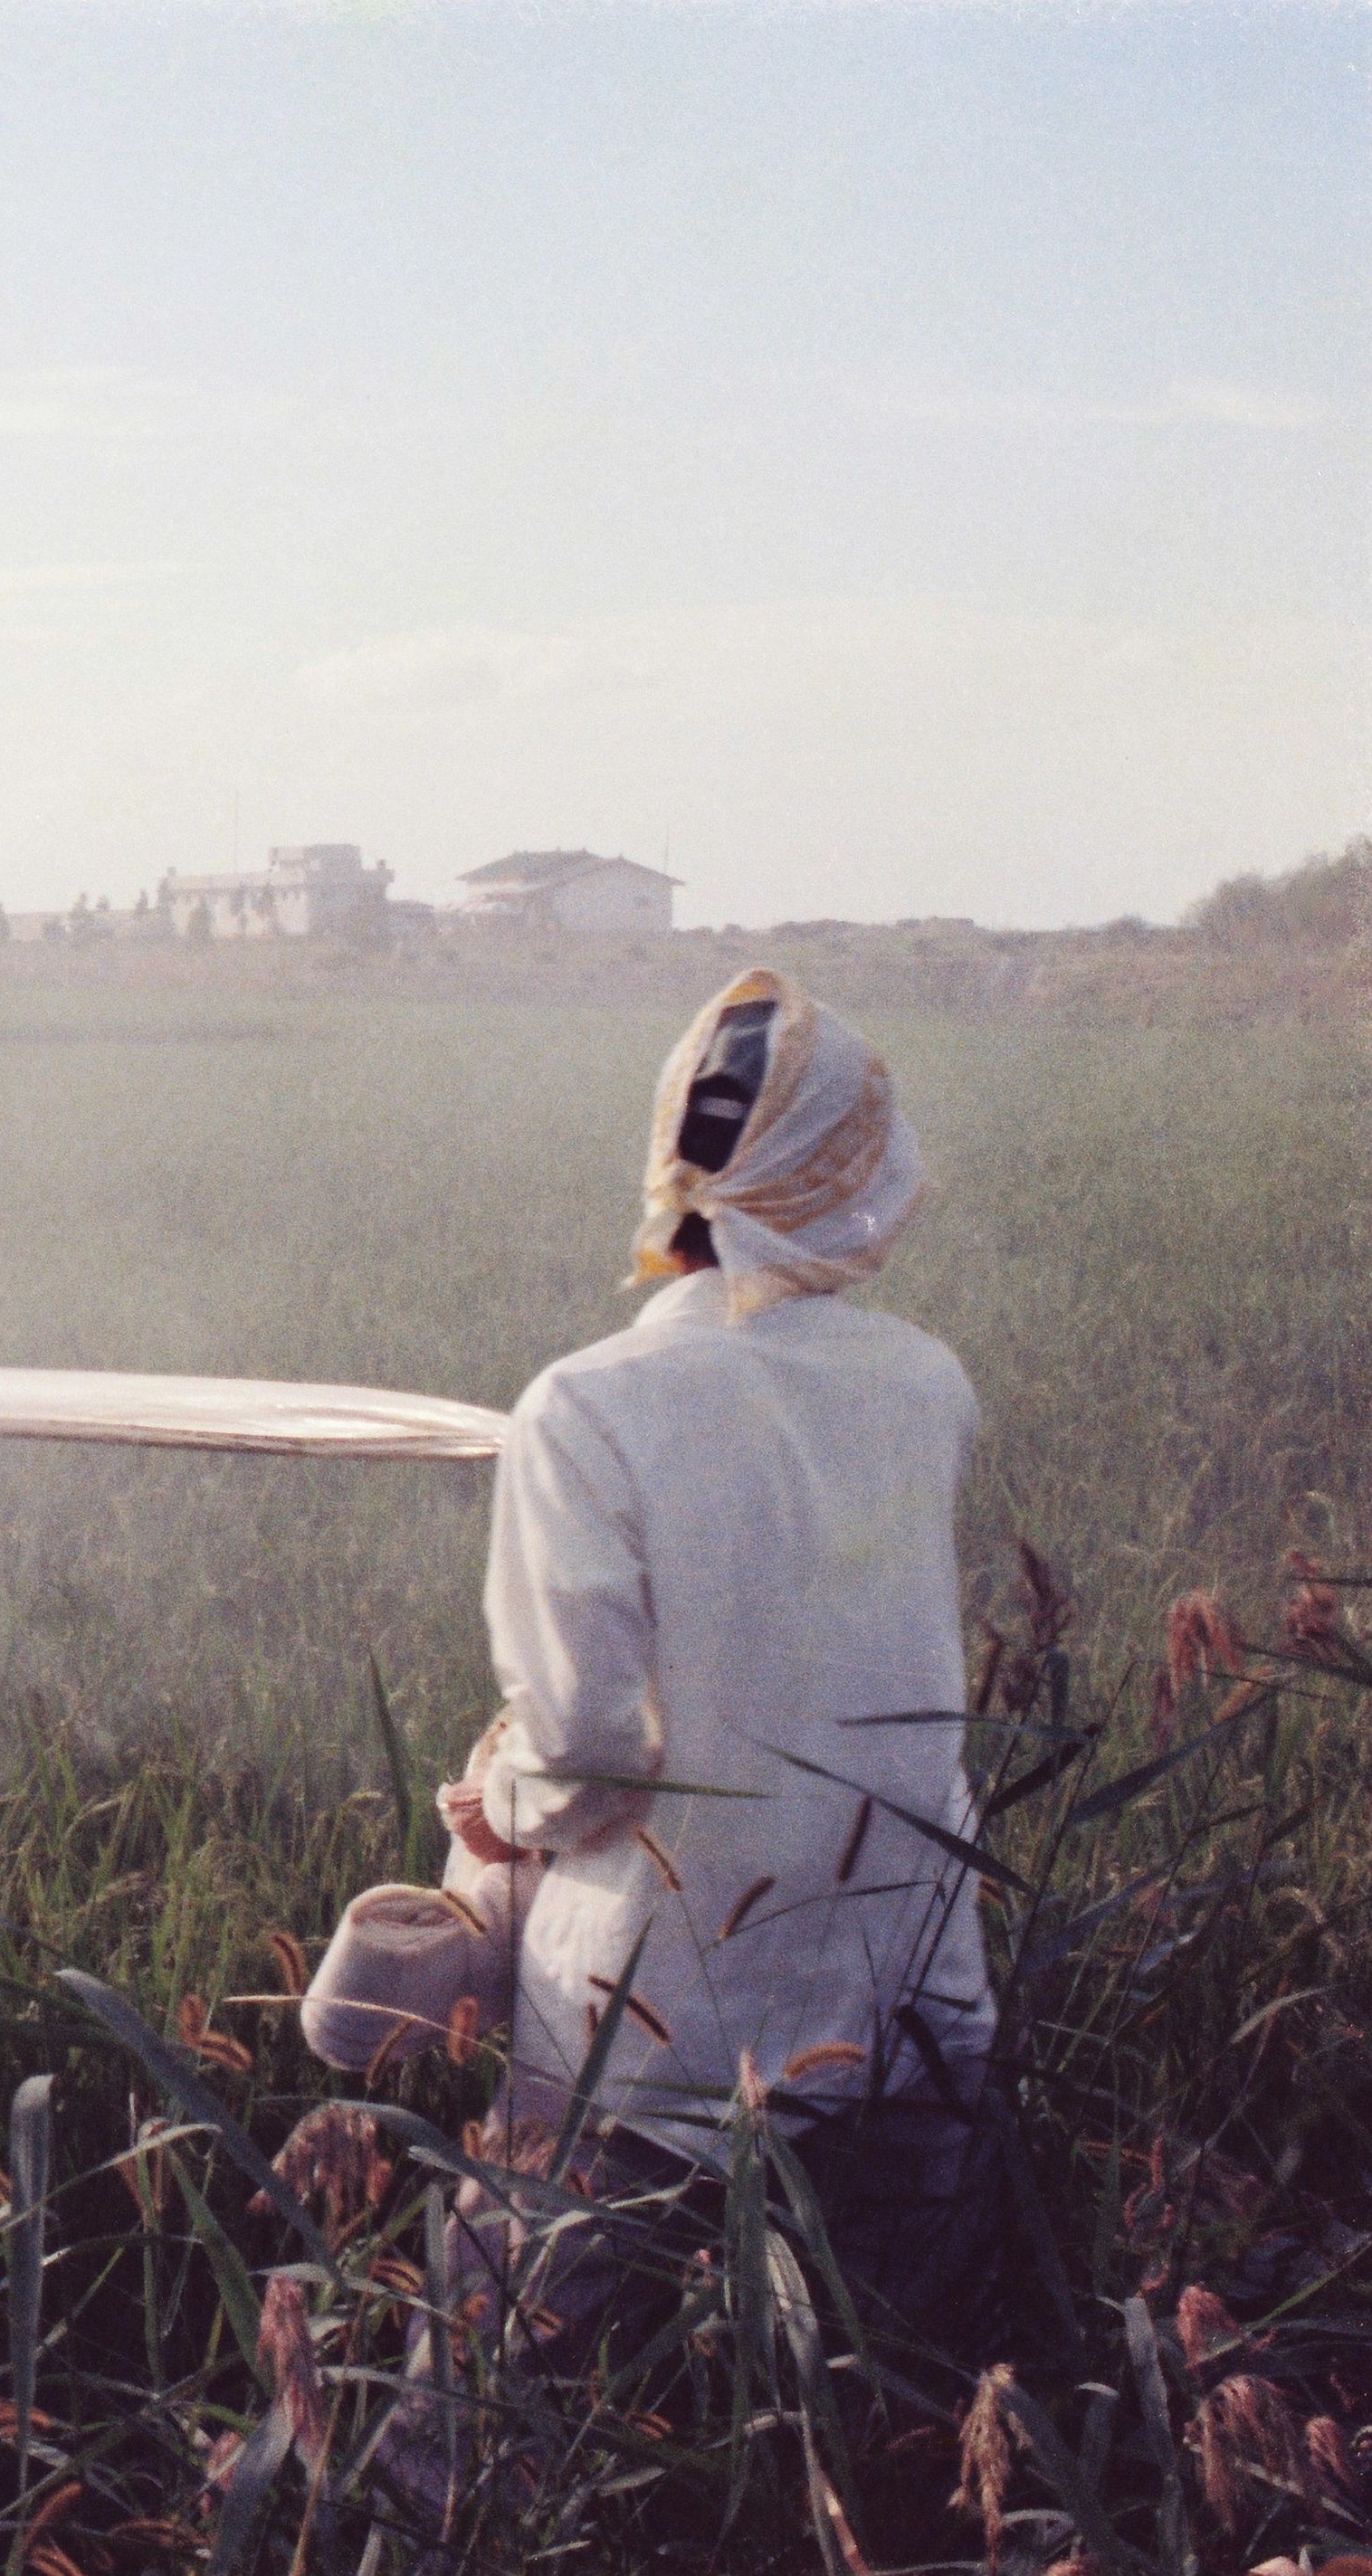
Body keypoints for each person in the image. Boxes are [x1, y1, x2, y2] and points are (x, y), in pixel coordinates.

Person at [384, 969, 1006, 2539]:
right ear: (846, 1174)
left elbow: (587, 1741)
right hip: (910, 2006)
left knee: (474, 2433)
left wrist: (502, 1800)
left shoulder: (586, 1408)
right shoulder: (925, 1383)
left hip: (656, 2039)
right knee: (883, 2431)